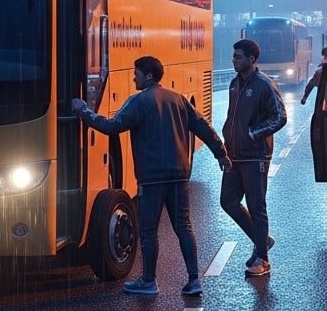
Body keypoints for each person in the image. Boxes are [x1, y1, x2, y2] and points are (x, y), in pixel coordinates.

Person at [71, 55, 231, 297]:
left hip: (151, 178)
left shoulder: (139, 102)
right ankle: (194, 280)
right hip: (178, 175)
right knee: (184, 227)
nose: (133, 76)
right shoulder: (178, 99)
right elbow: (202, 126)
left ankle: (148, 281)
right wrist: (221, 153)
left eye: (136, 72)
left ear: (148, 75)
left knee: (148, 231)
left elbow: (112, 127)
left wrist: (84, 112)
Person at [221, 38, 287, 277]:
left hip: (255, 156)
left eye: (238, 57)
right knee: (227, 202)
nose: (234, 60)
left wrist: (252, 134)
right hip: (234, 155)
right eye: (233, 56)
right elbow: (232, 117)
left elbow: (280, 116)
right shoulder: (233, 84)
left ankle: (263, 258)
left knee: (256, 207)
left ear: (252, 59)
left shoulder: (264, 84)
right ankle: (262, 240)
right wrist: (226, 142)